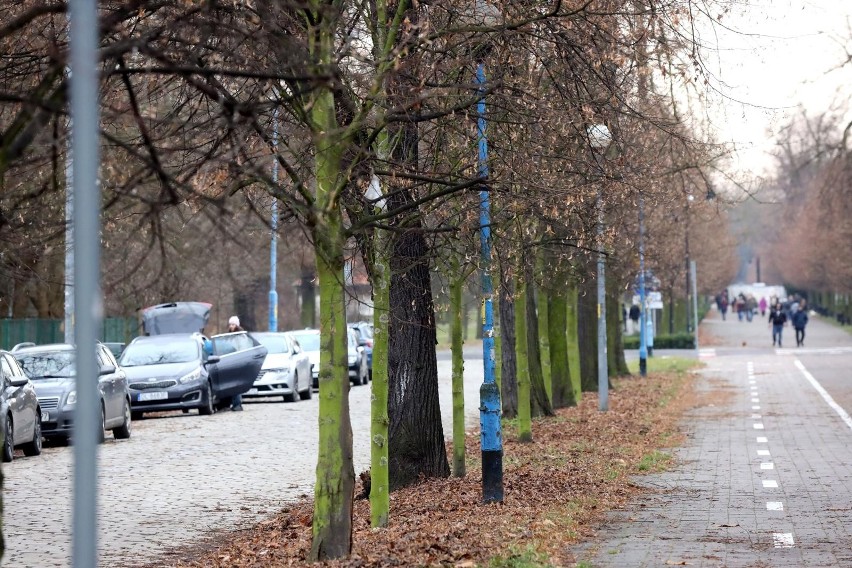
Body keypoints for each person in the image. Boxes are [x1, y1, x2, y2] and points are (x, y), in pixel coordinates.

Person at [226, 316, 245, 411]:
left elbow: (241, 349)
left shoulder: (241, 336)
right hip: (231, 362)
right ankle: (234, 403)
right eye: (230, 324)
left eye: (233, 324)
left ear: (237, 325)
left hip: (238, 362)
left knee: (237, 384)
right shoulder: (229, 336)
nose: (231, 326)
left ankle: (237, 404)